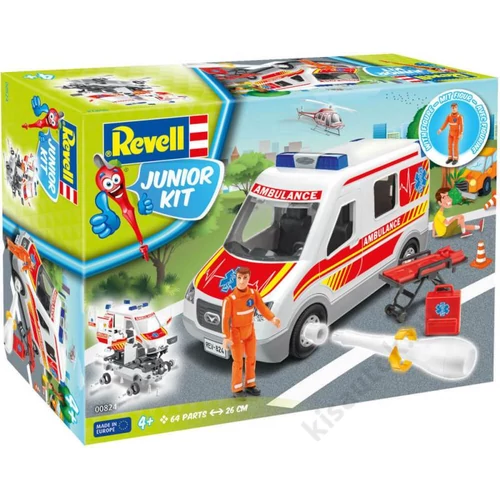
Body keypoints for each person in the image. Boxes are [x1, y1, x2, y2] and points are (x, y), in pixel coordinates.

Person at [222, 266, 281, 397]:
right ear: (235, 278)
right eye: (239, 278)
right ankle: (237, 388)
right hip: (236, 333)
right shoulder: (230, 299)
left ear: (249, 278)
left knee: (251, 359)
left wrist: (272, 318)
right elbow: (225, 319)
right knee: (238, 361)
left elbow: (262, 308)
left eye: (245, 278)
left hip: (250, 331)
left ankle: (250, 384)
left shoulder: (254, 294)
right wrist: (226, 336)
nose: (242, 281)